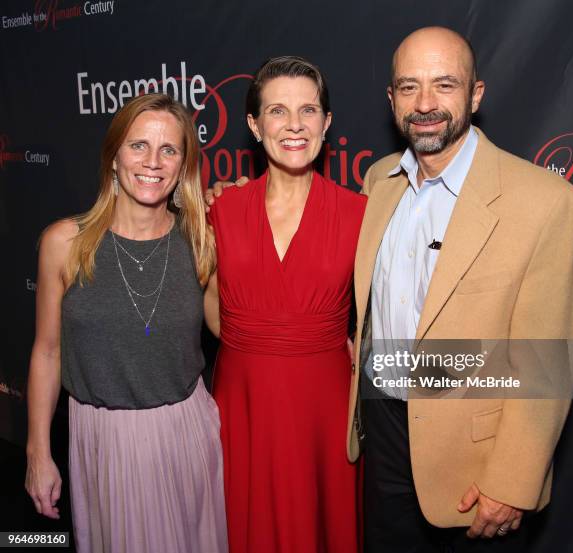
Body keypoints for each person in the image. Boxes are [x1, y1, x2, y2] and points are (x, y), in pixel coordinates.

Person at [346, 27, 573, 552]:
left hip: (475, 459)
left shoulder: (547, 202)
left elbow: (549, 360)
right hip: (383, 433)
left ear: (475, 94)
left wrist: (513, 480)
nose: (425, 103)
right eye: (408, 87)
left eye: (444, 85)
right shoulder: (378, 180)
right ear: (391, 100)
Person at [25, 93, 228, 553]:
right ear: (114, 156)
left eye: (169, 150)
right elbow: (47, 351)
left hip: (185, 435)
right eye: (138, 145)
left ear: (183, 164)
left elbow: (235, 332)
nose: (153, 161)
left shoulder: (201, 242)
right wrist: (38, 450)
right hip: (103, 441)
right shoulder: (65, 243)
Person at [204, 56, 366, 553]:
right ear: (254, 125)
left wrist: (347, 342)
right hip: (243, 400)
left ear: (327, 123)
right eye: (277, 111)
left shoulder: (361, 213)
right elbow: (214, 313)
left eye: (308, 110)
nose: (294, 125)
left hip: (324, 405)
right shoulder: (222, 210)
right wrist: (261, 338)